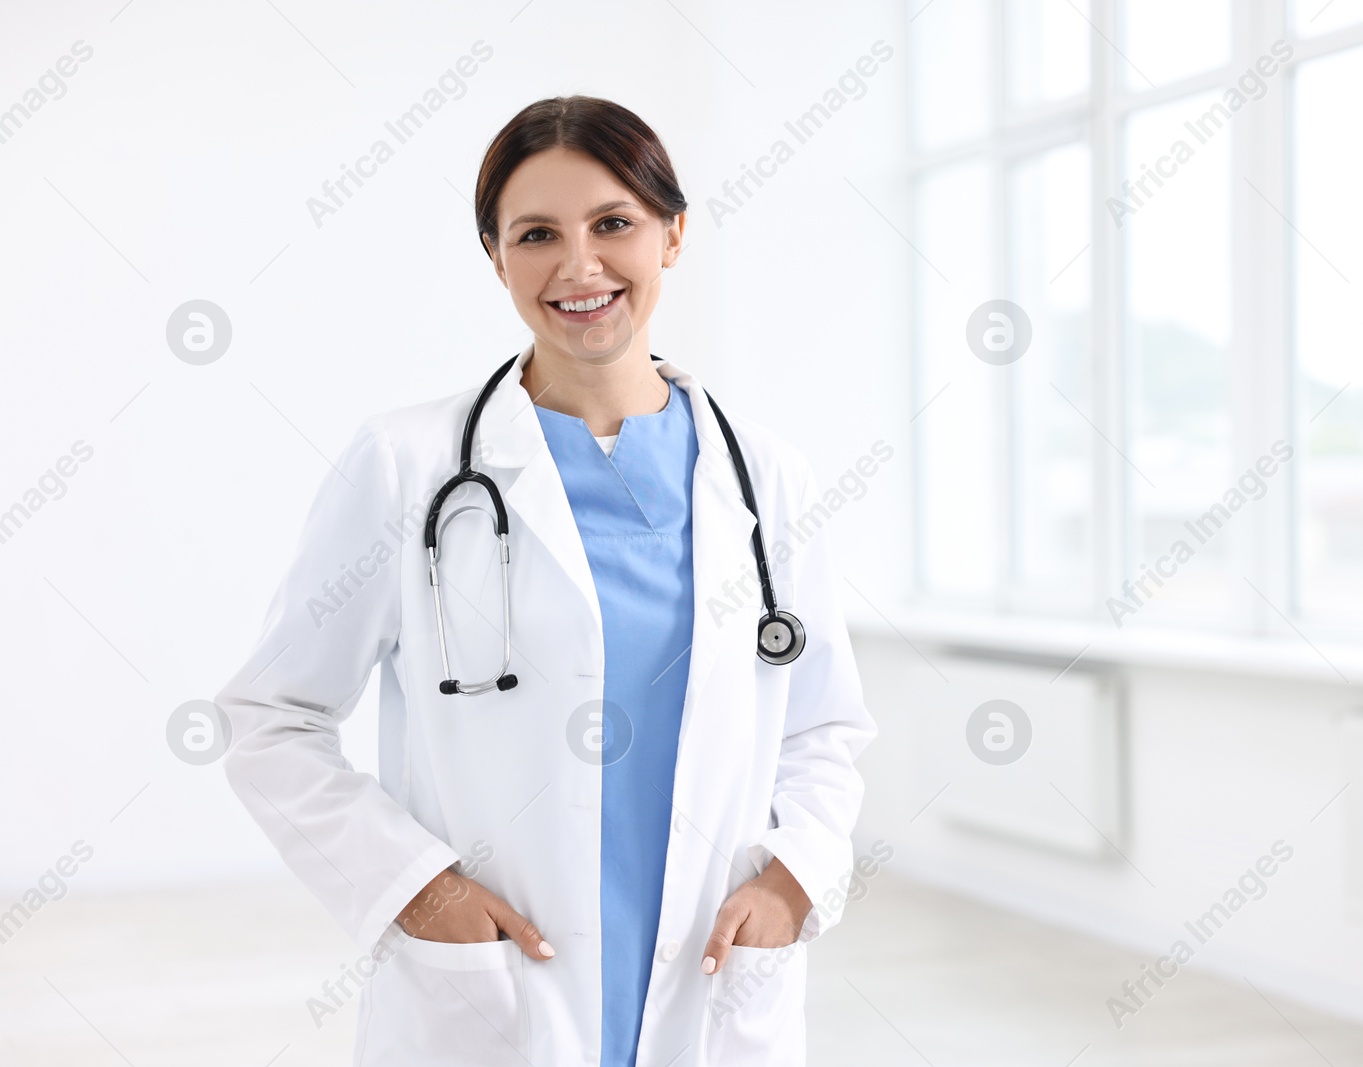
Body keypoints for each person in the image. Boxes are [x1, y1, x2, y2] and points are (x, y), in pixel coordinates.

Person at [214, 95, 876, 1066]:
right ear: (496, 257)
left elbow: (824, 725)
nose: (579, 266)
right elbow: (267, 716)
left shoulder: (765, 475)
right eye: (536, 234)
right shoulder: (409, 464)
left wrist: (795, 878)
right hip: (494, 992)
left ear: (673, 235)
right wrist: (417, 886)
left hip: (714, 982)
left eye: (613, 223)